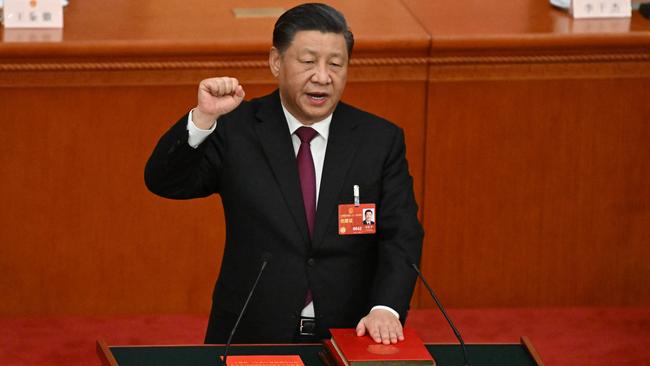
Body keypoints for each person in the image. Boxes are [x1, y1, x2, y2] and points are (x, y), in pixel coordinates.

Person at [145, 3, 423, 345]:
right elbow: (164, 181)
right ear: (276, 62)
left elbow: (401, 234)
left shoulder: (379, 140)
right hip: (252, 332)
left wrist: (386, 308)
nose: (322, 76)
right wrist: (202, 119)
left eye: (336, 64)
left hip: (349, 333)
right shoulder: (238, 130)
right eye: (308, 62)